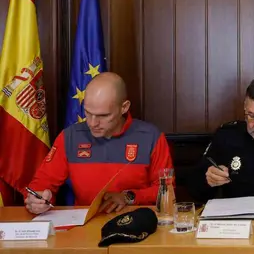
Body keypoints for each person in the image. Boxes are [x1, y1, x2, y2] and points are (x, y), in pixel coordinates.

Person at [25, 72, 174, 214]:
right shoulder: (70, 137)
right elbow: (40, 185)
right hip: (84, 228)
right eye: (88, 113)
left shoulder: (151, 137)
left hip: (137, 224)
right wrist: (36, 200)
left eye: (103, 116)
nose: (92, 123)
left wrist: (128, 197)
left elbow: (167, 191)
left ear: (124, 107)